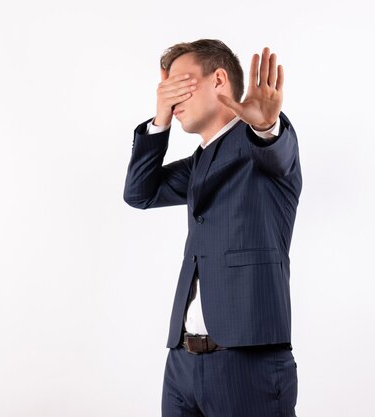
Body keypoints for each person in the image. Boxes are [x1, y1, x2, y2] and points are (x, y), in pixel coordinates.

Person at [123, 39, 302, 417]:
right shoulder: (199, 163)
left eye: (181, 84)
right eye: (166, 87)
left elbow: (277, 151)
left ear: (219, 79)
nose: (172, 96)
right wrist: (160, 120)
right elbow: (140, 193)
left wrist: (268, 125)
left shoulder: (260, 146)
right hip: (183, 363)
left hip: (246, 363)